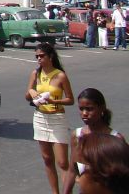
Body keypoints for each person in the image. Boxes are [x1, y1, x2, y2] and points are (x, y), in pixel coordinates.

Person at [27, 42, 74, 194]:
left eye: (41, 56)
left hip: (57, 118)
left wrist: (55, 101)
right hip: (40, 117)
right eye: (37, 57)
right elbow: (27, 93)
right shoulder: (36, 73)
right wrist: (32, 93)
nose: (39, 59)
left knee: (62, 162)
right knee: (47, 159)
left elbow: (70, 100)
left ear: (50, 56)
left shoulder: (60, 75)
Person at [62, 88, 123, 194]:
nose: (84, 113)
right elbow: (72, 170)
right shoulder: (77, 136)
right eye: (81, 109)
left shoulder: (115, 139)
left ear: (102, 109)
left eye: (89, 109)